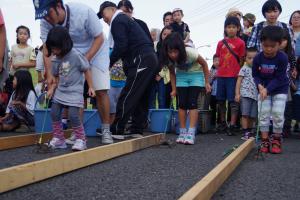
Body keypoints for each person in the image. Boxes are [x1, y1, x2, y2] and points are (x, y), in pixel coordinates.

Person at [33, 0, 112, 144]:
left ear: (58, 5)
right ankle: (77, 133)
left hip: (95, 49)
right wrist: (50, 74)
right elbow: (47, 50)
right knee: (75, 92)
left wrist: (82, 61)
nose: (46, 19)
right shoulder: (45, 22)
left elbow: (99, 37)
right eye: (42, 16)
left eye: (48, 14)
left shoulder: (83, 12)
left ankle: (106, 129)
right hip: (67, 54)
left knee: (101, 90)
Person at [98, 1, 159, 136]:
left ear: (112, 9)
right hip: (150, 59)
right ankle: (137, 129)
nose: (104, 19)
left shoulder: (117, 20)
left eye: (103, 14)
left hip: (141, 59)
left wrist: (108, 62)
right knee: (141, 95)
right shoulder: (126, 20)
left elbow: (121, 46)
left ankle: (117, 128)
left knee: (128, 94)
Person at [46, 26, 95, 151]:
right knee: (54, 112)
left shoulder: (76, 55)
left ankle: (81, 139)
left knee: (73, 115)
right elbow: (56, 76)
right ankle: (59, 139)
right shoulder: (56, 59)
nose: (55, 51)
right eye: (52, 48)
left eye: (57, 48)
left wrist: (91, 86)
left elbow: (87, 69)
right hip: (61, 90)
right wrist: (52, 88)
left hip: (75, 91)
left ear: (65, 44)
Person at [160, 32, 211, 145]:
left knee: (192, 103)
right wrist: (174, 89)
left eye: (175, 51)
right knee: (182, 104)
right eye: (170, 52)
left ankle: (191, 133)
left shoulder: (190, 53)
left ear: (181, 49)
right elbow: (172, 74)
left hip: (196, 75)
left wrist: (207, 82)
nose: (173, 55)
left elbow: (204, 65)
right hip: (182, 76)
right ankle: (182, 132)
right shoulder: (169, 59)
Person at [252, 26, 289, 154]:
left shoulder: (282, 58)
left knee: (278, 114)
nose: (268, 49)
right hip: (263, 89)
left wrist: (266, 89)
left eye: (272, 46)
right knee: (263, 114)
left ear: (279, 44)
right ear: (261, 43)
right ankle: (265, 139)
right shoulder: (257, 58)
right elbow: (255, 75)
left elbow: (279, 78)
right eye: (265, 45)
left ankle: (277, 139)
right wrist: (260, 86)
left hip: (280, 88)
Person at [215, 16, 245, 135]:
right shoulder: (220, 43)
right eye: (229, 27)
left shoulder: (241, 43)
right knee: (220, 101)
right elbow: (217, 57)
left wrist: (238, 74)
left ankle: (232, 124)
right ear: (225, 29)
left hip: (233, 76)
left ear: (238, 28)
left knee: (233, 102)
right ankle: (223, 123)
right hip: (221, 75)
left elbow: (242, 60)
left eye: (234, 27)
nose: (231, 29)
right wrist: (218, 66)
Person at [235, 48, 258, 140]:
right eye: (249, 58)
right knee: (245, 114)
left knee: (253, 115)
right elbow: (238, 81)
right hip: (245, 94)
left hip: (255, 95)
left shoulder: (259, 69)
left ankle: (250, 130)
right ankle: (245, 132)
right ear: (245, 59)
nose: (252, 60)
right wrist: (237, 94)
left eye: (254, 58)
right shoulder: (244, 69)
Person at [280, 29, 297, 138]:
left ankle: (286, 128)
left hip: (287, 85)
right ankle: (274, 128)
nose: (282, 42)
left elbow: (291, 71)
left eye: (284, 39)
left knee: (287, 106)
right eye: (279, 40)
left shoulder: (290, 55)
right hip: (274, 85)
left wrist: (292, 81)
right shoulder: (271, 54)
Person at [156, 25, 173, 108]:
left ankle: (167, 118)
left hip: (166, 76)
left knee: (165, 98)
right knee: (160, 98)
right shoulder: (158, 45)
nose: (165, 36)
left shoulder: (171, 47)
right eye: (164, 34)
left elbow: (168, 63)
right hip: (156, 75)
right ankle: (161, 118)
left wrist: (160, 75)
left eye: (168, 35)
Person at [209, 54, 220, 129]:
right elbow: (209, 81)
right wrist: (213, 77)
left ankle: (219, 123)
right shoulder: (211, 70)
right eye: (215, 61)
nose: (217, 62)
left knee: (220, 108)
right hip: (213, 93)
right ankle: (212, 123)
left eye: (219, 60)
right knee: (213, 108)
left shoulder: (223, 69)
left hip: (220, 92)